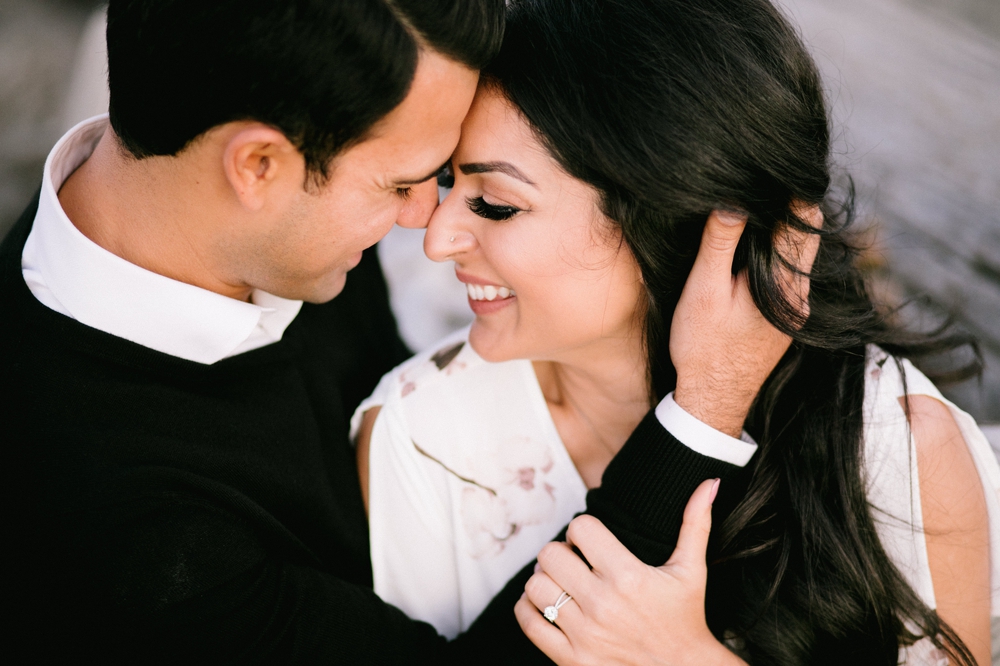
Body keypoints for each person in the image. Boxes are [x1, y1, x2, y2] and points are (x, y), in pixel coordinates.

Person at [2, 1, 788, 662]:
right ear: (257, 166)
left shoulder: (212, 205)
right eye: (405, 184)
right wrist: (700, 418)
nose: (427, 225)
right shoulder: (126, 542)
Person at [354, 0, 1000, 663]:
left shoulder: (890, 442)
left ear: (672, 213)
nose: (436, 239)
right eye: (445, 181)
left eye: (496, 203)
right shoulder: (417, 440)